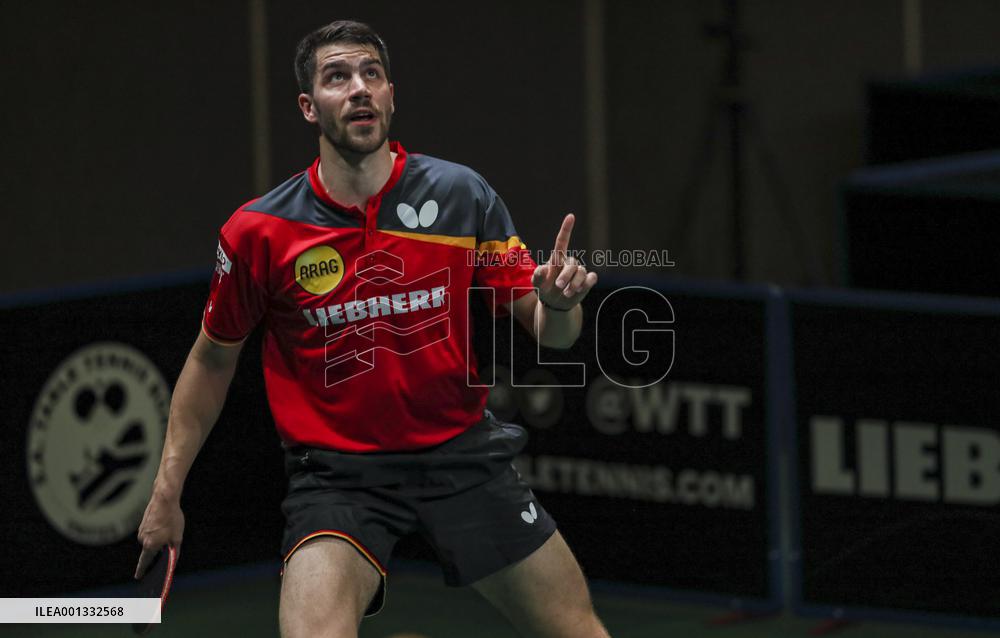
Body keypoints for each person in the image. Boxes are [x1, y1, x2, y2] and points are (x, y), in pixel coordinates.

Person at [135, 19, 607, 638]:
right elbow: (211, 362)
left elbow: (553, 335)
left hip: (461, 456)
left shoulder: (462, 196)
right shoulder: (260, 234)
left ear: (390, 94)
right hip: (338, 476)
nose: (358, 89)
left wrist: (560, 305)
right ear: (309, 106)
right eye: (337, 77)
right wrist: (167, 491)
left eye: (371, 75)